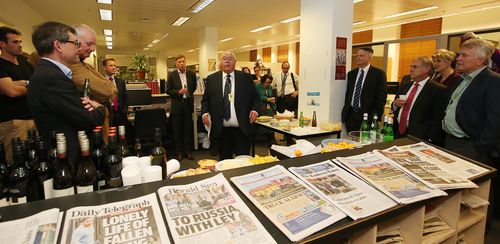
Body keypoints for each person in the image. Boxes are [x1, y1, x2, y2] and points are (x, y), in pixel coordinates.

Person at [28, 21, 105, 166]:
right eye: (75, 43)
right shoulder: (52, 77)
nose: (78, 48)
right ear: (58, 46)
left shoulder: (49, 72)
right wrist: (100, 108)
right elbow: (89, 119)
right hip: (66, 157)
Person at [442, 38, 500, 164]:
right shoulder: (460, 80)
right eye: (459, 54)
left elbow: (494, 121)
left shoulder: (494, 81)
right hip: (449, 141)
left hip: (470, 147)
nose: (458, 59)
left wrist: (479, 148)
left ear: (480, 60)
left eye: (464, 55)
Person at [201, 51, 260, 160]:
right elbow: (205, 101)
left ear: (235, 62)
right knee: (224, 162)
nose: (227, 61)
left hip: (242, 130)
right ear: (220, 62)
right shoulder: (212, 79)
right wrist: (204, 113)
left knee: (243, 163)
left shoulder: (246, 78)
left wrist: (255, 110)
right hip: (222, 131)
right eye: (224, 58)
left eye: (230, 59)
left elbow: (256, 98)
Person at [70, 24, 115, 143]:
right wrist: (108, 92)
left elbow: (110, 87)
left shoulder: (85, 65)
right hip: (89, 126)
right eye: (89, 44)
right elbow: (108, 90)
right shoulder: (72, 67)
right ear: (75, 42)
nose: (93, 48)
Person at [0, 26, 35, 162]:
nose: (20, 45)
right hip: (13, 121)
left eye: (20, 42)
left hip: (32, 117)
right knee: (16, 161)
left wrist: (21, 83)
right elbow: (12, 92)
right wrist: (29, 84)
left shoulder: (24, 63)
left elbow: (38, 85)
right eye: (15, 42)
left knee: (34, 158)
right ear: (2, 44)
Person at [392, 57, 445, 144]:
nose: (411, 69)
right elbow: (395, 106)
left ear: (426, 69)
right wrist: (395, 104)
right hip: (398, 133)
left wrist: (430, 139)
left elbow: (437, 118)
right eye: (411, 66)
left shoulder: (437, 89)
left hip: (419, 137)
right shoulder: (406, 86)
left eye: (415, 67)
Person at [341, 47, 387, 132]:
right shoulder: (351, 74)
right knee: (351, 142)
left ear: (370, 58)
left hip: (367, 116)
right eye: (357, 55)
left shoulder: (379, 74)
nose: (358, 57)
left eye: (361, 56)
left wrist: (374, 117)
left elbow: (381, 98)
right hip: (351, 115)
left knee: (365, 143)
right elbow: (349, 94)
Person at [167, 54, 197, 161]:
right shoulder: (172, 75)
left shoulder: (191, 74)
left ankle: (188, 151)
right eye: (179, 61)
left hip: (188, 104)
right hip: (177, 105)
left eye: (183, 61)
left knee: (188, 129)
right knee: (177, 130)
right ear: (176, 63)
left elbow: (194, 87)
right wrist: (179, 92)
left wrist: (188, 94)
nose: (181, 63)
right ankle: (178, 153)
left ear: (186, 62)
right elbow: (168, 90)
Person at [102, 58, 128, 127]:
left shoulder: (121, 82)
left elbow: (125, 97)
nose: (113, 67)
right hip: (107, 113)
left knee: (121, 134)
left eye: (114, 65)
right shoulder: (100, 81)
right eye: (111, 65)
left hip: (120, 113)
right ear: (104, 67)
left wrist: (124, 110)